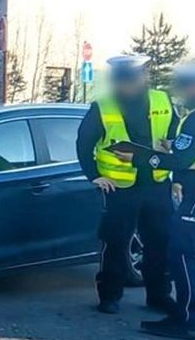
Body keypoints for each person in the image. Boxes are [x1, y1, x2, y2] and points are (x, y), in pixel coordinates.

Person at [75, 54, 178, 314]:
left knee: (159, 241)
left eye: (131, 79)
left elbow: (177, 138)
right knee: (115, 241)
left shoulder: (162, 100)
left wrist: (173, 163)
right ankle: (110, 296)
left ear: (143, 77)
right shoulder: (103, 106)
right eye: (121, 80)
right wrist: (94, 175)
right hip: (120, 188)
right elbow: (84, 144)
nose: (126, 85)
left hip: (156, 184)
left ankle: (159, 295)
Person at [117, 62, 195, 340]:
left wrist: (138, 156)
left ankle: (184, 319)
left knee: (184, 255)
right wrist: (174, 145)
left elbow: (183, 159)